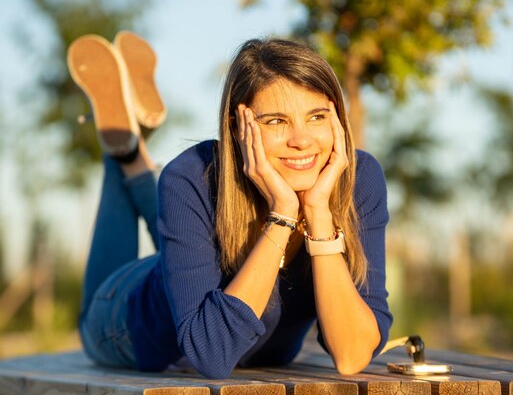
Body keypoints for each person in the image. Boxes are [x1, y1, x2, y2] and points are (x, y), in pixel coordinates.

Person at [67, 32, 393, 379]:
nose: (301, 140)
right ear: (238, 127)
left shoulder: (359, 178)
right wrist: (282, 215)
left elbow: (352, 355)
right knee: (90, 316)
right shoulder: (190, 175)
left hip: (194, 268)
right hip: (125, 323)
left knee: (191, 222)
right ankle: (122, 153)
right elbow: (211, 354)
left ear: (337, 120)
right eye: (276, 121)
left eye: (316, 117)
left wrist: (318, 214)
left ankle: (130, 151)